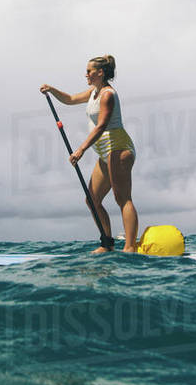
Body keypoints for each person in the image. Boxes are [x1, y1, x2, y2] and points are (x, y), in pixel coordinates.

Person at [39, 55, 138, 253]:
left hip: (119, 148)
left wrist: (81, 149)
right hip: (105, 153)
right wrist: (51, 89)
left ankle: (130, 247)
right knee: (92, 200)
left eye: (89, 71)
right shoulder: (94, 92)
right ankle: (107, 244)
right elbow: (70, 99)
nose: (86, 74)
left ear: (100, 73)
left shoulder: (108, 94)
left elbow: (101, 126)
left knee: (123, 198)